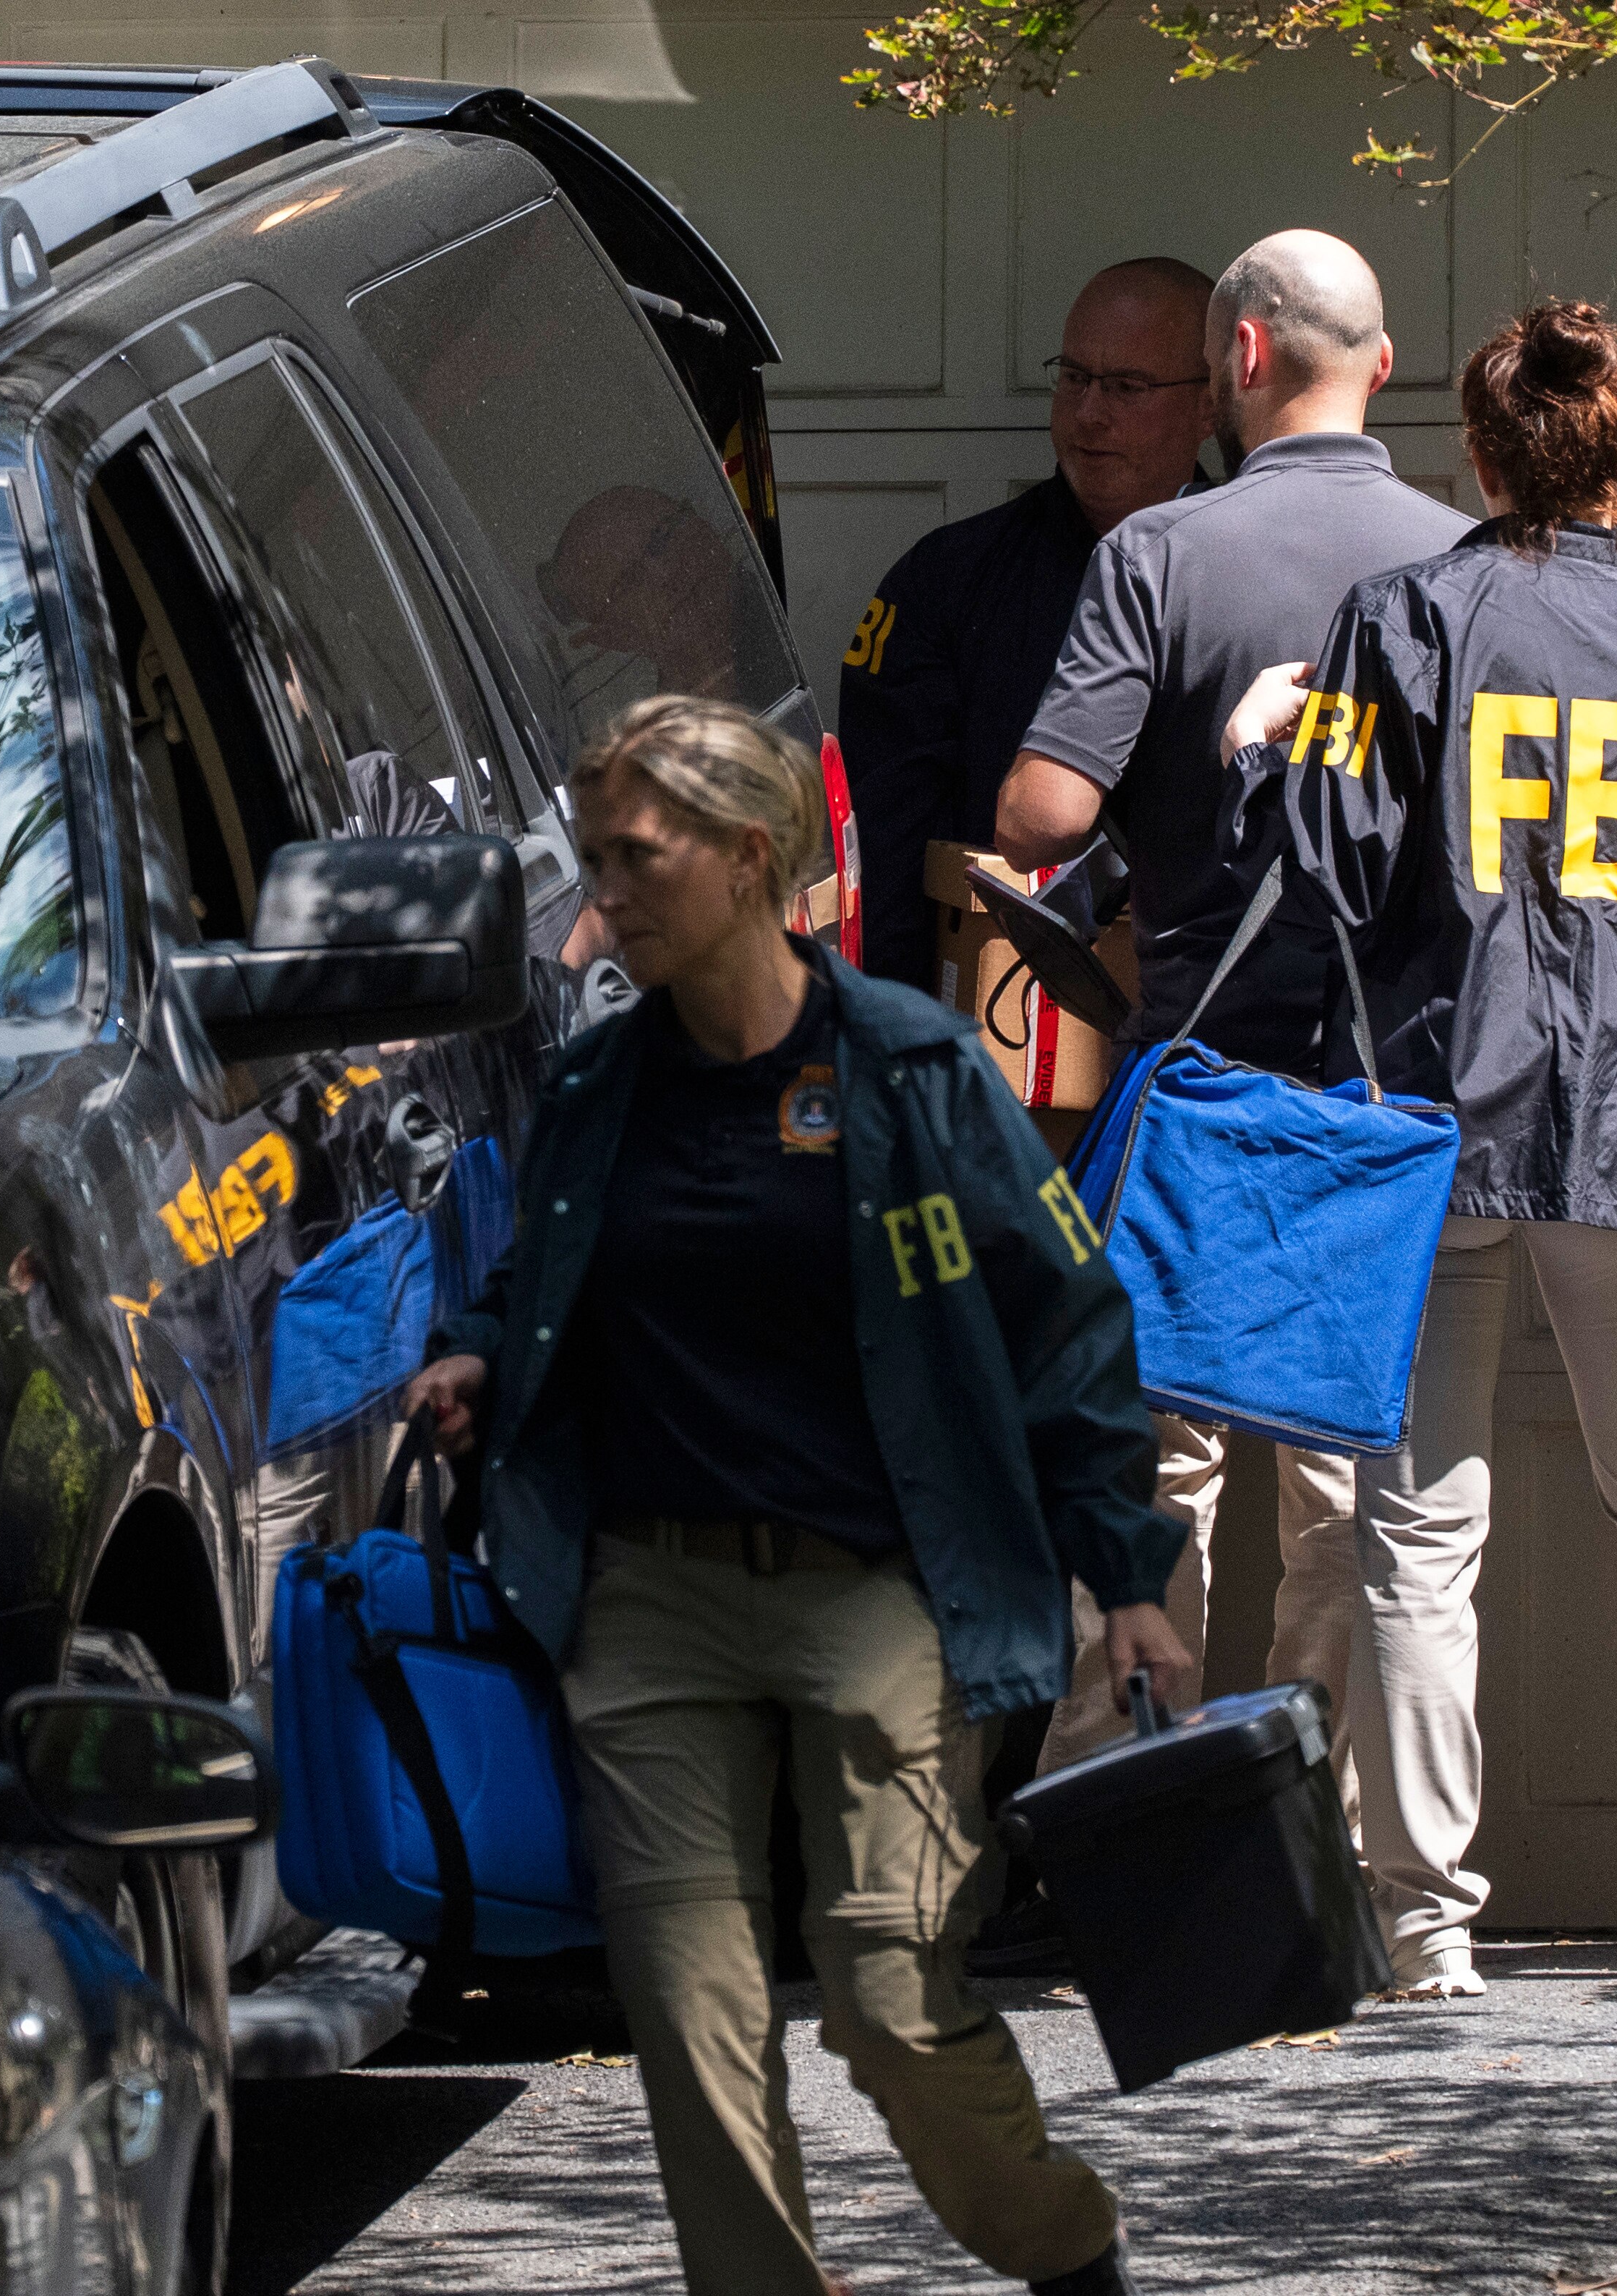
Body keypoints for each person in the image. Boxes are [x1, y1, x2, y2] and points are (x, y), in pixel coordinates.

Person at [405, 697, 1184, 2296]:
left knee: (894, 1993)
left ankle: (1063, 2246)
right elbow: (532, 1281)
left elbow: (1066, 1321)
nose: (601, 897)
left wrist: (1131, 1576)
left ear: (748, 859)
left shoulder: (909, 1073)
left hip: (875, 1593)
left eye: (637, 858)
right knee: (691, 2016)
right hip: (647, 1601)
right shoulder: (600, 1088)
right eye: (595, 859)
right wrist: (480, 1354)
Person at [1220, 300, 1617, 1994]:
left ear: (1480, 452)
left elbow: (1325, 874)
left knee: (1416, 1529)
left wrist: (1255, 751)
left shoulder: (1404, 623)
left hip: (1434, 1128)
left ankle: (1426, 1928)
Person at [994, 229, 1475, 1784]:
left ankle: (1133, 1814)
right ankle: (1320, 1832)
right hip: (1386, 1093)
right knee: (1345, 1482)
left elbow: (1045, 816)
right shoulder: (1467, 566)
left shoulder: (1159, 553)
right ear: (1379, 368)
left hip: (1203, 1077)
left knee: (1155, 1462)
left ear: (1241, 362)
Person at [841, 258, 1218, 993]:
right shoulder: (945, 582)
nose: (1088, 414)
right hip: (994, 1021)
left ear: (1210, 405)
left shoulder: (1256, 578)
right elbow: (884, 846)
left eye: (1125, 387)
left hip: (1214, 1034)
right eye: (1074, 378)